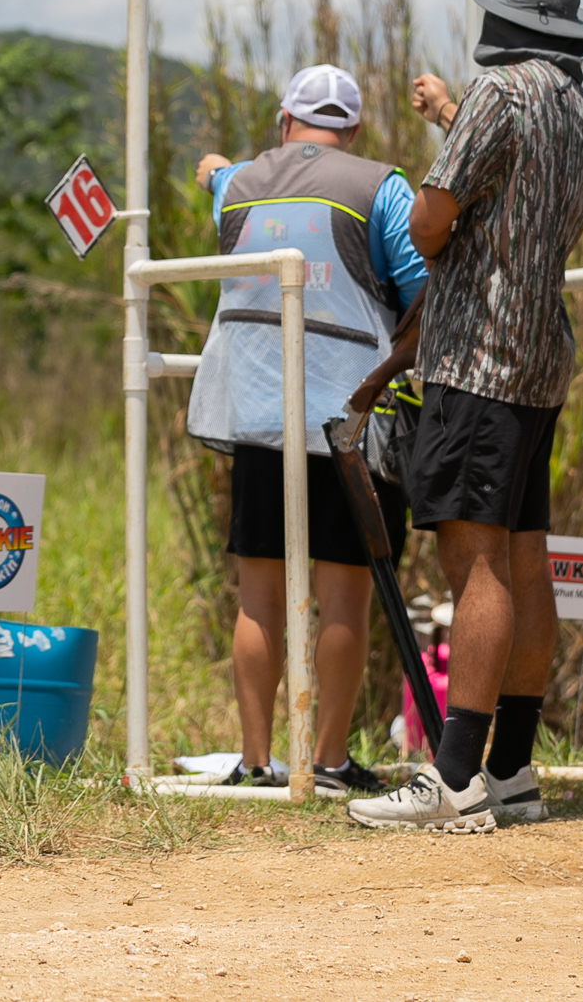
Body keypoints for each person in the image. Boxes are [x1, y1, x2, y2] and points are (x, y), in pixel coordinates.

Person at [345, 0, 583, 832]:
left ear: (510, 22)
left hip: (474, 357)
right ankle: (511, 770)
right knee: (527, 559)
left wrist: (442, 166)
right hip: (542, 356)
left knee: (476, 562)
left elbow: (428, 222)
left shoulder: (496, 91)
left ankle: (453, 777)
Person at [189, 64, 426, 795]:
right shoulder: (379, 186)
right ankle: (327, 761)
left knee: (257, 592)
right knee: (344, 593)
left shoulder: (240, 185)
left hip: (259, 417)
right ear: (352, 129)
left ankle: (257, 760)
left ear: (285, 120)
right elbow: (420, 288)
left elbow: (216, 182)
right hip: (352, 419)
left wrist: (215, 170)